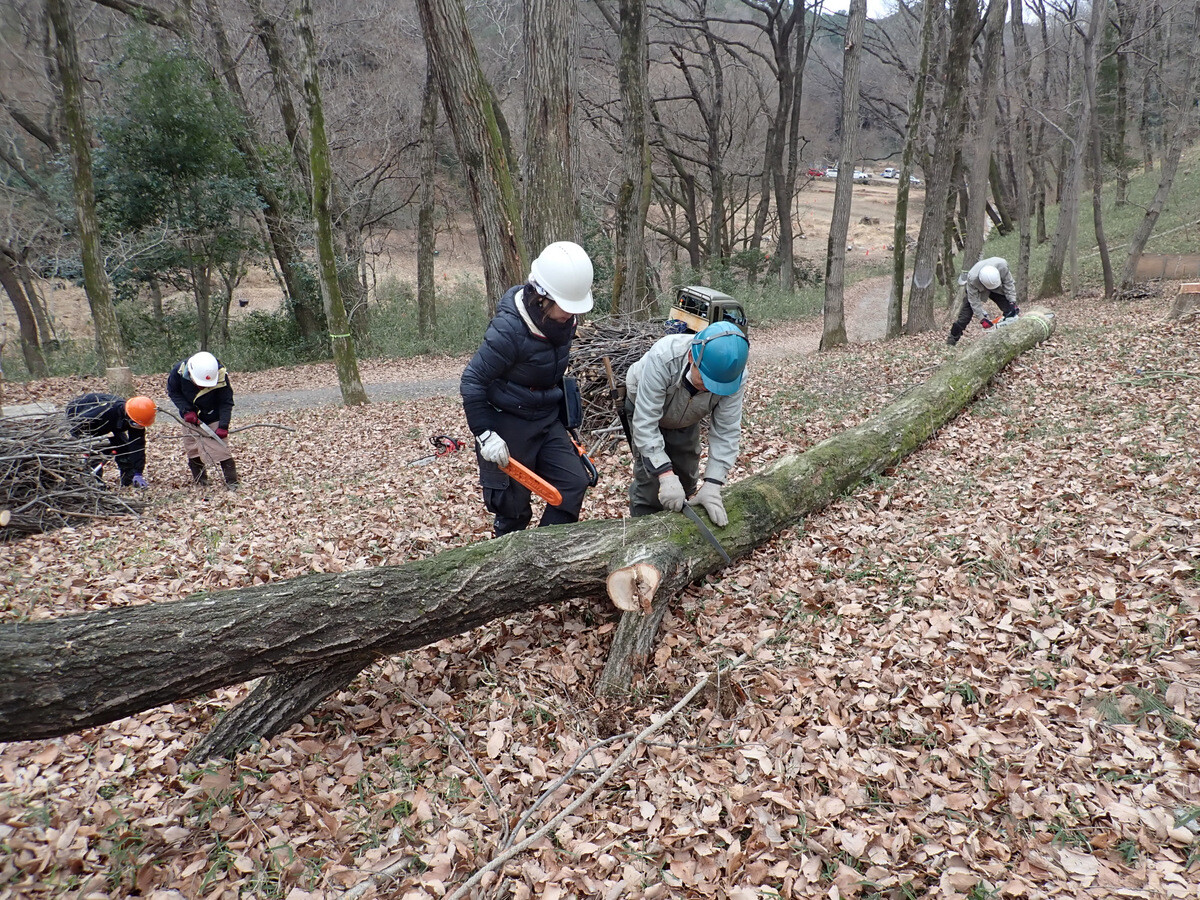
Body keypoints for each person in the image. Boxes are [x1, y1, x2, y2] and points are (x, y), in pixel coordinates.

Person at [460, 241, 595, 537]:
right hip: (508, 420)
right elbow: (472, 380)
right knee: (513, 507)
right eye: (566, 306)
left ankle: (545, 550)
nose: (572, 314)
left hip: (546, 416)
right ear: (542, 297)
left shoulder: (565, 322)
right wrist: (485, 434)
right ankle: (507, 556)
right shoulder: (509, 330)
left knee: (573, 483)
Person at [625, 320, 749, 525]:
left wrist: (713, 484)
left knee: (686, 476)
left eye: (717, 386)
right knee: (650, 482)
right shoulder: (665, 356)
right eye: (706, 380)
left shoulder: (734, 377)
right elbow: (646, 423)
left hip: (687, 417)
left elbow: (726, 432)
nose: (709, 389)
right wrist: (664, 474)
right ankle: (642, 530)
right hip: (644, 406)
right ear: (692, 357)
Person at [166, 350, 239, 489]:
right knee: (192, 448)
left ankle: (232, 483)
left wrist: (223, 425)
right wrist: (186, 410)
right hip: (189, 417)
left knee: (221, 449)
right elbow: (173, 392)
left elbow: (226, 401)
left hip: (213, 415)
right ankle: (201, 482)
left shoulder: (220, 375)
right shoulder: (178, 372)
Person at [65, 393, 157, 488]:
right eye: (135, 424)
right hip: (83, 418)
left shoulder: (137, 419)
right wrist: (79, 440)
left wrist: (138, 472)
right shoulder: (104, 410)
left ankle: (129, 481)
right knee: (96, 452)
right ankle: (94, 483)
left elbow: (137, 445)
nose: (136, 427)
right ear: (127, 414)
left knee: (124, 449)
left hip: (112, 424)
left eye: (140, 426)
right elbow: (77, 423)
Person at [947, 256, 1021, 346]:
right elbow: (974, 301)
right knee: (964, 317)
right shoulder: (972, 279)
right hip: (977, 288)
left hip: (997, 287)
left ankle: (1011, 333)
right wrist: (982, 318)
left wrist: (1012, 301)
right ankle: (952, 339)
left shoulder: (1002, 266)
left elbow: (1009, 284)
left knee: (1010, 309)